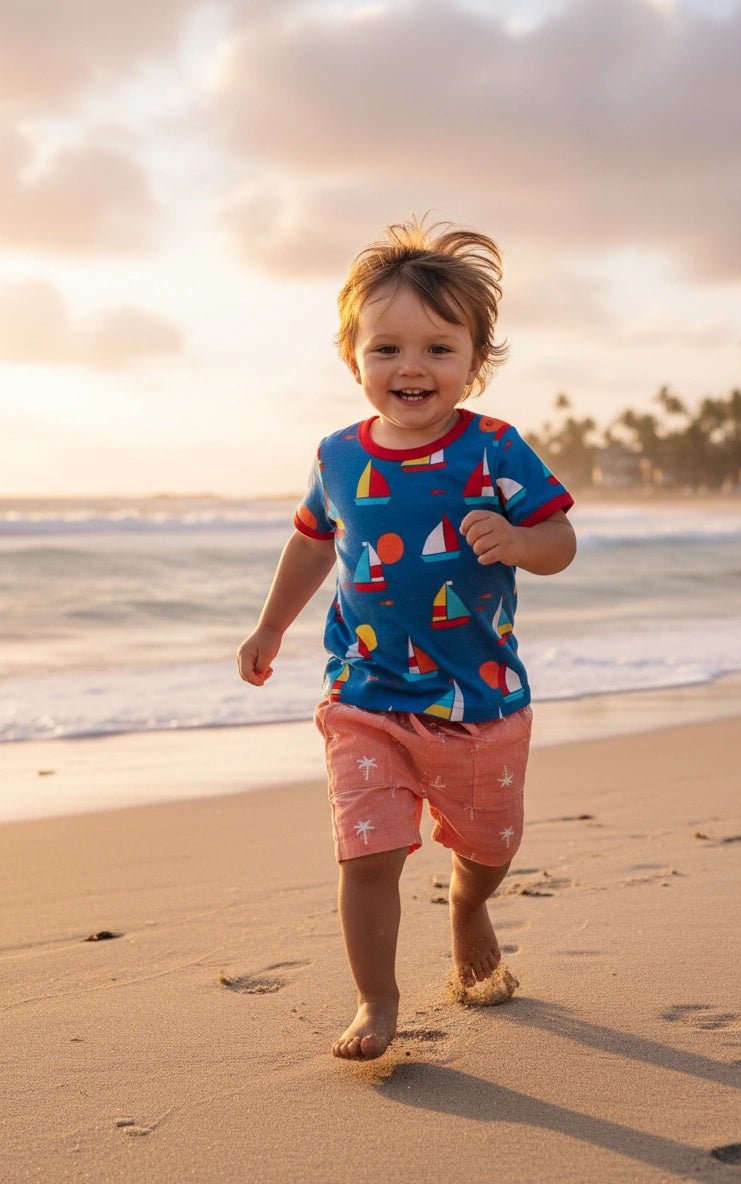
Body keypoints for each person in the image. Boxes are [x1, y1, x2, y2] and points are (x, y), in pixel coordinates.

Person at [237, 218, 576, 1061]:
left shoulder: (494, 448)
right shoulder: (338, 456)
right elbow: (316, 542)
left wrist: (518, 542)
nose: (411, 368)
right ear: (353, 358)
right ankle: (376, 1001)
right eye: (385, 348)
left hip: (481, 700)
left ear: (475, 361)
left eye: (437, 347)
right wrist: (271, 624)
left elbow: (561, 541)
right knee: (369, 854)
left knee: (489, 848)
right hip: (365, 698)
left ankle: (469, 906)